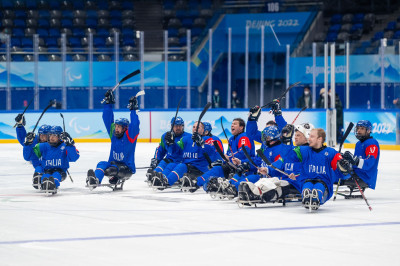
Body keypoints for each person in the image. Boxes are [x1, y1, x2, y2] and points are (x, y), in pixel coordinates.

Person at [86, 89, 140, 190]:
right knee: (101, 164)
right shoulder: (114, 134)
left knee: (110, 169)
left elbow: (135, 125)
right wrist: (108, 103)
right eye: (116, 126)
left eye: (119, 127)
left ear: (125, 128)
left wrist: (133, 109)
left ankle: (108, 177)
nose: (116, 128)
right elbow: (107, 118)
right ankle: (95, 179)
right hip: (114, 164)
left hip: (126, 168)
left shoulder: (130, 136)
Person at [284, 128, 350, 211]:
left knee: (319, 187)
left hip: (324, 184)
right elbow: (288, 156)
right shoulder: (303, 150)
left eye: (312, 136)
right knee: (307, 186)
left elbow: (343, 175)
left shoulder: (331, 153)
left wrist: (345, 168)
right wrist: (287, 142)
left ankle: (316, 197)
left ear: (320, 139)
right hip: (306, 181)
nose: (309, 139)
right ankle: (307, 195)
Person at [152, 121, 217, 191]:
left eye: (198, 127)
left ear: (203, 130)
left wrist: (202, 144)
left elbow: (212, 153)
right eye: (194, 127)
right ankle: (162, 177)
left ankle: (166, 182)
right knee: (172, 165)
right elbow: (176, 152)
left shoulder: (208, 139)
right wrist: (171, 143)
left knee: (182, 166)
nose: (195, 129)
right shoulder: (186, 139)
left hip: (201, 169)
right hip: (189, 167)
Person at [23, 125, 80, 194]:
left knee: (56, 175)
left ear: (59, 137)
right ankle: (45, 183)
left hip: (60, 172)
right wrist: (27, 145)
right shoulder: (43, 146)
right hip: (47, 171)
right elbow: (28, 157)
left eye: (54, 135)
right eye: (50, 135)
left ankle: (53, 183)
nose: (51, 137)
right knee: (45, 177)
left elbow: (74, 158)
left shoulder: (64, 146)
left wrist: (70, 145)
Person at [147, 116, 190, 184]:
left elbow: (179, 151)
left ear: (183, 126)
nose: (178, 128)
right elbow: (160, 150)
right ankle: (155, 174)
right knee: (162, 164)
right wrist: (156, 159)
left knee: (169, 168)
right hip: (169, 160)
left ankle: (162, 178)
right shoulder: (165, 136)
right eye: (176, 126)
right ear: (172, 126)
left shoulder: (188, 137)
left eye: (180, 126)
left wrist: (173, 143)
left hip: (180, 161)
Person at [15, 113, 51, 188]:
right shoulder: (34, 140)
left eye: (45, 135)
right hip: (38, 164)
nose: (43, 138)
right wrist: (20, 126)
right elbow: (23, 139)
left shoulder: (54, 142)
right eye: (41, 135)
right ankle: (38, 177)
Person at [341, 120, 380, 190]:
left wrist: (355, 160)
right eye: (358, 128)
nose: (359, 130)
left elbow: (369, 163)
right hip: (356, 173)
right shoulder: (358, 144)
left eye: (362, 128)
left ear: (368, 130)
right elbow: (356, 163)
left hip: (365, 176)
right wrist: (346, 160)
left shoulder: (372, 143)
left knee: (332, 175)